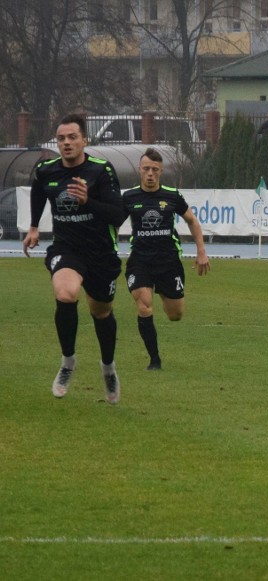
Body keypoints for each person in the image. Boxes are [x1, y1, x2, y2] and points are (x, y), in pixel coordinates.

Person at [23, 113, 124, 404]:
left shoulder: (101, 171)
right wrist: (33, 226)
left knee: (101, 311)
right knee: (66, 293)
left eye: (72, 137)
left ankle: (108, 367)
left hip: (101, 253)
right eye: (61, 138)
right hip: (67, 248)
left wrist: (87, 201)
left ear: (84, 140)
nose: (66, 143)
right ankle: (68, 362)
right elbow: (39, 191)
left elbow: (117, 215)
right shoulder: (46, 170)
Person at [122, 148, 210, 370]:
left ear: (160, 171)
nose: (150, 173)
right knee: (144, 305)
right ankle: (154, 360)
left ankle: (163, 292)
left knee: (175, 314)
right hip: (139, 261)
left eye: (154, 169)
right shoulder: (129, 197)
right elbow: (112, 223)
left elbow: (192, 221)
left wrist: (201, 252)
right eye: (146, 169)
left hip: (168, 262)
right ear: (139, 171)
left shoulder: (171, 195)